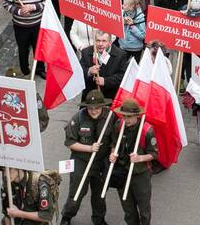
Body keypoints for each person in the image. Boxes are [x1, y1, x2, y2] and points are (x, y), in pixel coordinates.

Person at [61, 89, 113, 225]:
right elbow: (70, 142)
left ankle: (99, 219)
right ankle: (67, 216)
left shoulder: (110, 117)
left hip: (101, 162)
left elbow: (115, 139)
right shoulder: (78, 118)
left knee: (100, 195)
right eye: (90, 108)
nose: (94, 111)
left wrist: (113, 152)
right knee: (77, 192)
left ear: (103, 106)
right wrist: (89, 148)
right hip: (81, 161)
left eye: (97, 108)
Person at [106, 96, 158, 225]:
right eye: (124, 116)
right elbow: (114, 143)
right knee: (128, 209)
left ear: (137, 115)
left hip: (140, 174)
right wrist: (113, 154)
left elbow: (154, 154)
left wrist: (140, 158)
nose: (126, 119)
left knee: (144, 209)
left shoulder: (147, 131)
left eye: (129, 117)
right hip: (122, 171)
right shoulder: (119, 125)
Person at [2, 0, 49, 77]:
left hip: (37, 24)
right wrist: (19, 11)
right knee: (22, 49)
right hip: (20, 25)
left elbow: (48, 2)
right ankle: (24, 70)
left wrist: (32, 7)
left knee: (38, 49)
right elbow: (6, 3)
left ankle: (40, 69)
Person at [79, 31, 128, 102]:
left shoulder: (120, 55)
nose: (100, 44)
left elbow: (122, 76)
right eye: (98, 40)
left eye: (104, 41)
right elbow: (79, 72)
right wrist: (89, 71)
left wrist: (106, 81)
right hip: (90, 98)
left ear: (110, 42)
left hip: (109, 97)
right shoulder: (86, 52)